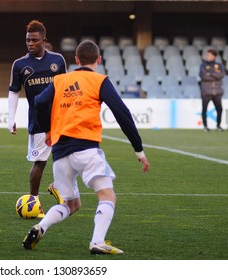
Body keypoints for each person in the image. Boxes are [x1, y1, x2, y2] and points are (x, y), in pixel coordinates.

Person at [22, 40, 150, 254]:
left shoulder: (60, 80)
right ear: (98, 59)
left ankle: (40, 226)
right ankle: (97, 241)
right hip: (86, 149)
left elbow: (40, 101)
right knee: (107, 196)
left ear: (76, 60)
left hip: (60, 153)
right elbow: (122, 112)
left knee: (72, 204)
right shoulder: (99, 80)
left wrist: (48, 130)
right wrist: (139, 149)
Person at [8, 20, 67, 217]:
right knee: (40, 162)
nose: (30, 43)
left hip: (60, 120)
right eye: (28, 40)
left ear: (44, 40)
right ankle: (34, 202)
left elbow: (65, 90)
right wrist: (11, 118)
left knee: (68, 156)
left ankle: (57, 186)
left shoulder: (58, 61)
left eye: (35, 40)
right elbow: (13, 92)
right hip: (39, 122)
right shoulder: (20, 64)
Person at [199, 48, 226, 132]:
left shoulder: (219, 65)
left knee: (219, 109)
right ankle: (205, 126)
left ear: (214, 56)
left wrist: (210, 73)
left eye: (209, 55)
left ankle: (218, 125)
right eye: (207, 55)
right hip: (206, 92)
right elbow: (203, 76)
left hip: (217, 92)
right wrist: (215, 74)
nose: (207, 56)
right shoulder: (203, 65)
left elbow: (221, 75)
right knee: (204, 109)